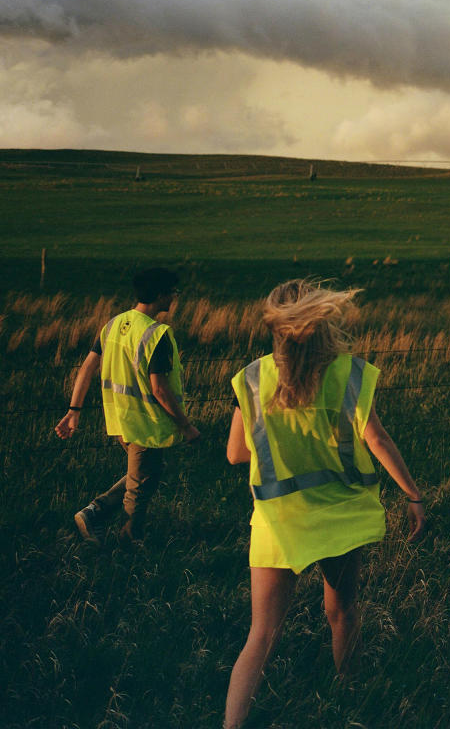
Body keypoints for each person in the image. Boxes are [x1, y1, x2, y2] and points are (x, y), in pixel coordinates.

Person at [224, 279, 425, 729]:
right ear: (323, 324)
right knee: (341, 612)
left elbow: (236, 453)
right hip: (339, 518)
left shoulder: (253, 378)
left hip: (277, 522)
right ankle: (347, 690)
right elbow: (376, 438)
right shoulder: (349, 373)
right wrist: (413, 495)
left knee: (261, 635)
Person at [54, 267, 201, 545]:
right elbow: (159, 388)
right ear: (160, 295)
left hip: (120, 418)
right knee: (140, 487)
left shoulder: (113, 324)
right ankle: (128, 538)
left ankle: (96, 514)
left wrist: (74, 411)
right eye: (173, 292)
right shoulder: (156, 334)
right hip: (146, 422)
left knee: (145, 474)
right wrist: (187, 426)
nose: (175, 297)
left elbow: (86, 368)